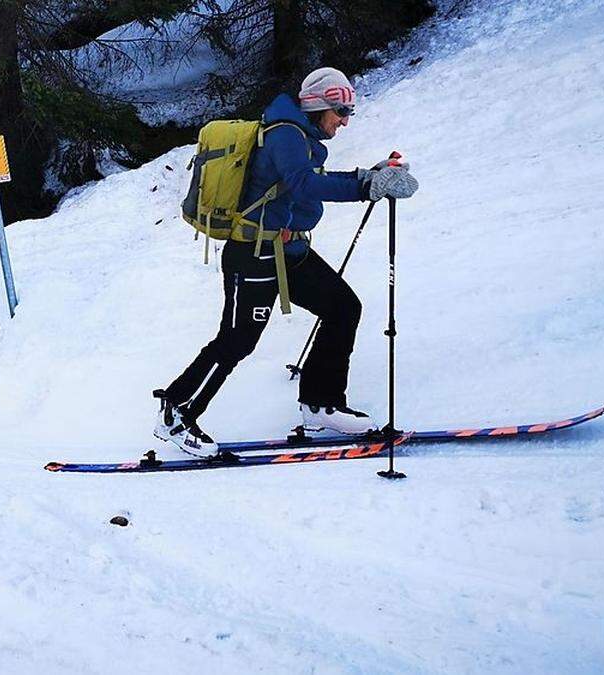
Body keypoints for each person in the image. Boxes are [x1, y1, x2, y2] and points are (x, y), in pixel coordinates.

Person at [154, 67, 419, 456]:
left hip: (288, 251)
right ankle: (175, 413)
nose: (344, 122)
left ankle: (319, 404)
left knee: (342, 307)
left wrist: (369, 175)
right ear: (317, 107)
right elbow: (304, 184)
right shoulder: (285, 133)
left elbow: (307, 179)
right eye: (340, 112)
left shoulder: (300, 135)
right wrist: (364, 187)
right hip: (254, 255)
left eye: (348, 113)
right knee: (237, 341)